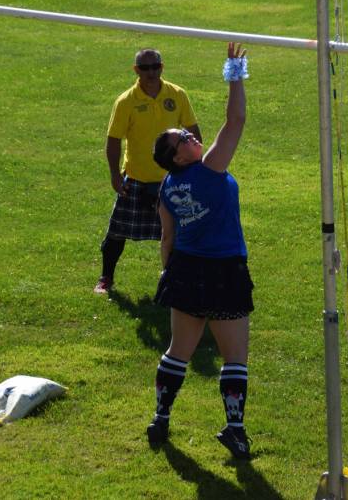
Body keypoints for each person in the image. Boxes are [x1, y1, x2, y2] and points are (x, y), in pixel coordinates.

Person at [147, 43, 253, 459]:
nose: (192, 135)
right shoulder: (210, 170)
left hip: (186, 271)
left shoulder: (168, 188)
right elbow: (236, 120)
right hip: (224, 270)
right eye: (184, 138)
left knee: (179, 352)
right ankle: (235, 429)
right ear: (178, 157)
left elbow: (167, 239)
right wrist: (234, 72)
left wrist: (167, 277)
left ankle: (161, 417)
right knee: (235, 357)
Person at [96, 48, 201, 294]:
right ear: (136, 70)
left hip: (172, 179)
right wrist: (114, 174)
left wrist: (195, 167)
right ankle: (105, 278)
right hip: (136, 178)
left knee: (177, 236)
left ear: (162, 67)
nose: (151, 72)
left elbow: (193, 131)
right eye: (145, 68)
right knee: (117, 232)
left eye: (156, 67)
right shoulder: (126, 101)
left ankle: (176, 280)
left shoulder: (177, 95)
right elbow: (113, 140)